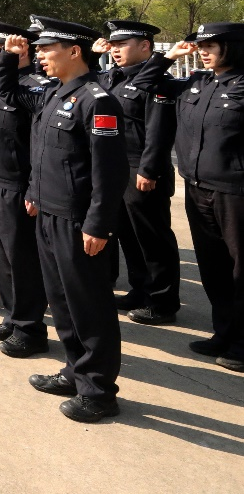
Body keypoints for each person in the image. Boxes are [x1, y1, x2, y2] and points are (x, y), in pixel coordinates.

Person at [1, 17, 127, 423]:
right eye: (37, 49)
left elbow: (109, 171)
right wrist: (34, 193)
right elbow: (43, 152)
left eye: (46, 49)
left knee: (89, 306)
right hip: (48, 212)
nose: (39, 55)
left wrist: (98, 223)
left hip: (77, 220)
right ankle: (75, 371)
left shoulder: (97, 100)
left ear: (74, 51)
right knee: (62, 302)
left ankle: (99, 392)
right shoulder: (54, 93)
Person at [130, 22, 244, 371]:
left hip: (235, 192)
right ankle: (224, 334)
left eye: (211, 46)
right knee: (213, 267)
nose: (203, 51)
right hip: (197, 187)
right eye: (201, 46)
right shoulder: (197, 82)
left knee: (240, 269)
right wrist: (168, 57)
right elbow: (143, 83)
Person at [92, 20, 181, 325]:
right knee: (128, 235)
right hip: (116, 168)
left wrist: (149, 169)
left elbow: (159, 132)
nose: (115, 50)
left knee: (152, 239)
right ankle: (140, 290)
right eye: (113, 45)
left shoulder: (158, 82)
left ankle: (162, 302)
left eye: (122, 45)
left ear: (145, 46)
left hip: (141, 170)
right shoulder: (112, 78)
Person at [0, 21, 50, 357]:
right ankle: (13, 315)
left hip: (17, 186)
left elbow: (39, 146)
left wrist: (34, 189)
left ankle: (30, 328)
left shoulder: (35, 87)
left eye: (2, 49)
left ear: (22, 51)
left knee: (22, 262)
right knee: (2, 259)